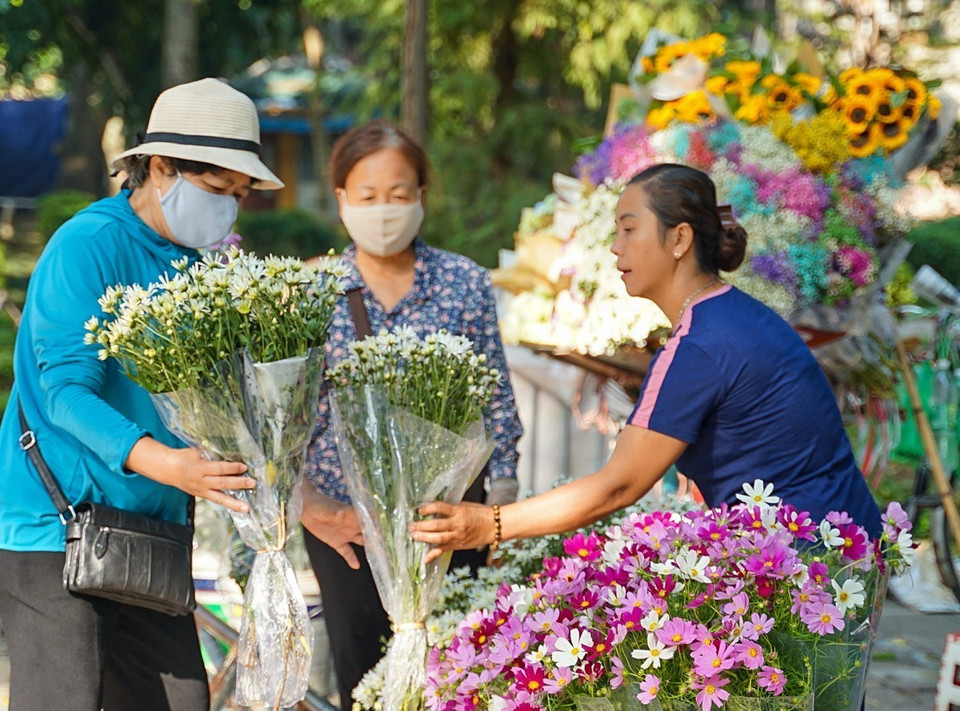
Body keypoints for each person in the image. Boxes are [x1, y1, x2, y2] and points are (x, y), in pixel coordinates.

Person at [411, 162, 883, 560]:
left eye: (629, 229)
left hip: (810, 565)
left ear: (679, 239)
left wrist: (490, 524)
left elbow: (620, 486)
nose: (616, 247)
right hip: (841, 541)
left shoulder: (699, 346)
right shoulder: (735, 314)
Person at [0, 78, 283, 711]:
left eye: (240, 195)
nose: (229, 208)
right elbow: (64, 395)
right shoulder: (89, 244)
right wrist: (171, 464)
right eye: (217, 189)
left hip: (150, 532)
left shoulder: (200, 264)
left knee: (182, 701)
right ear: (159, 168)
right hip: (59, 528)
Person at [298, 119, 523, 708]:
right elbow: (286, 415)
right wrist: (308, 505)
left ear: (422, 196)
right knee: (363, 670)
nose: (385, 210)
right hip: (343, 518)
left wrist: (502, 494)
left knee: (458, 668)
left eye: (399, 195)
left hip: (450, 516)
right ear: (341, 199)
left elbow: (493, 396)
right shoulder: (311, 291)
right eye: (368, 197)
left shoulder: (464, 282)